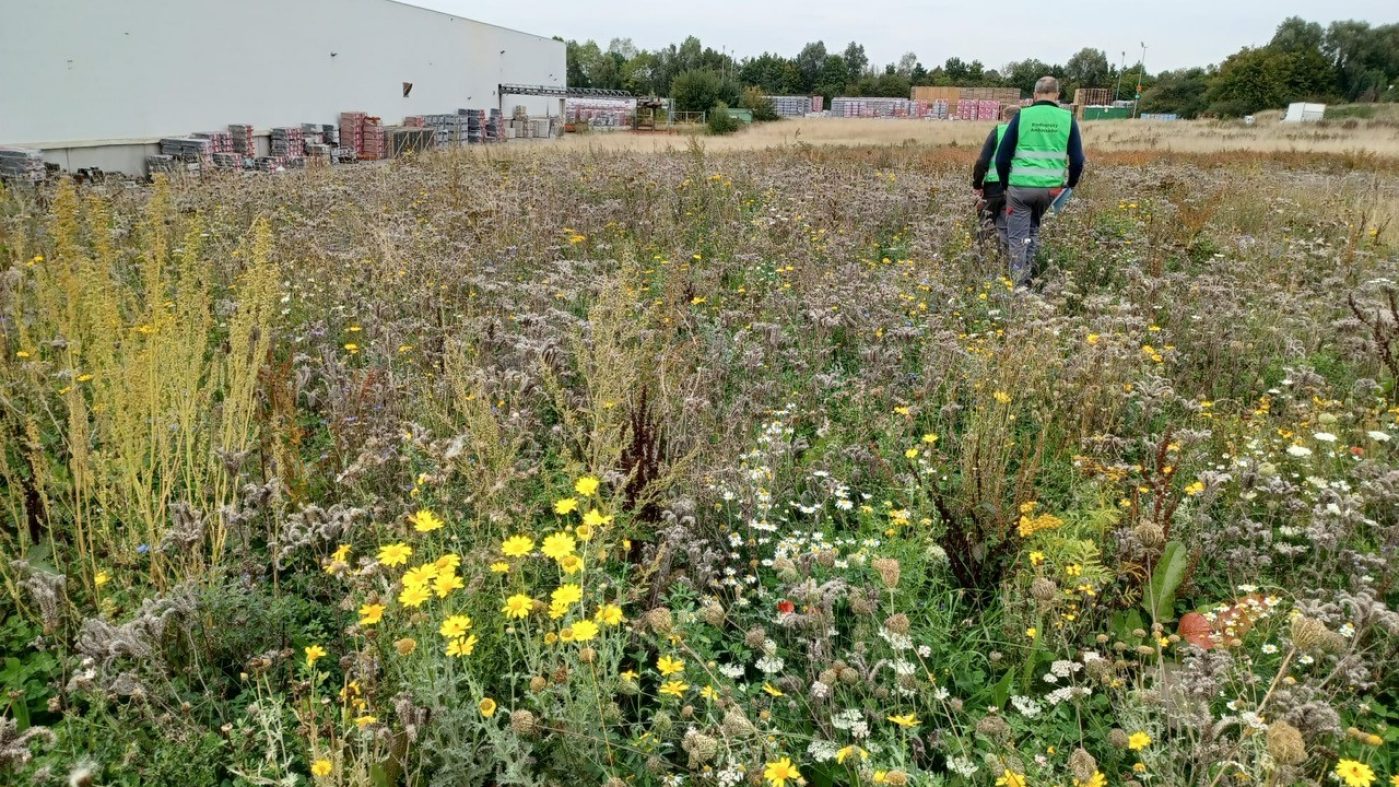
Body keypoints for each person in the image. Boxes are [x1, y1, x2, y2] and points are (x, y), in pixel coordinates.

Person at [994, 76, 1085, 288]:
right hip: (1050, 190)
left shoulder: (1023, 116)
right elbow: (1078, 160)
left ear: (1035, 95)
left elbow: (1002, 157)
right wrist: (1069, 184)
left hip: (1021, 188)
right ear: (1058, 95)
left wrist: (1005, 183)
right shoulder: (1067, 118)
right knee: (1033, 229)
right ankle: (1028, 277)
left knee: (1017, 238)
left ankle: (1019, 286)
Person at [971, 104, 1019, 258]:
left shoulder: (999, 131)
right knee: (1012, 228)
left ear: (1004, 117)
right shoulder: (1027, 134)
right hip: (1018, 188)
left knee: (985, 227)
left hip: (994, 188)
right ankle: (1010, 261)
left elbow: (982, 162)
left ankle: (982, 260)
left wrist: (977, 185)